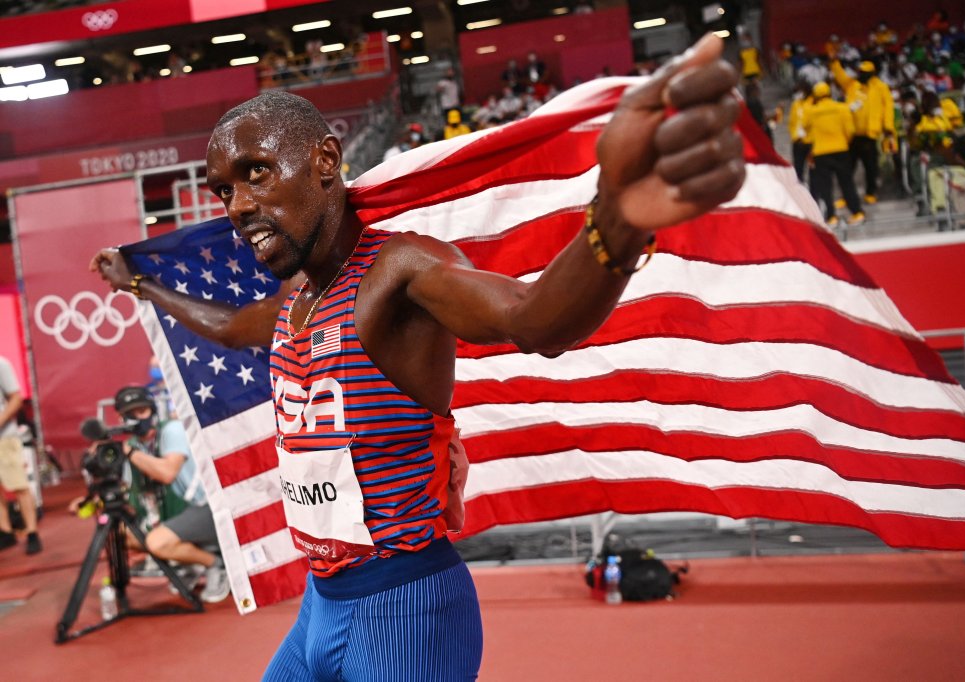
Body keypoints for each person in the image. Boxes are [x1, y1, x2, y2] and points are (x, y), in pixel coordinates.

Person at [91, 34, 745, 679]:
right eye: (222, 190)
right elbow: (232, 327)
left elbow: (535, 320)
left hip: (408, 610)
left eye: (255, 173)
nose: (237, 207)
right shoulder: (293, 299)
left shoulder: (398, 273)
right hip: (321, 605)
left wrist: (618, 220)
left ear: (325, 161)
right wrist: (140, 285)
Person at [108, 385, 230, 603]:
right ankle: (190, 563)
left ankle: (215, 565)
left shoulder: (171, 430)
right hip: (183, 508)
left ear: (153, 410)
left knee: (157, 542)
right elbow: (129, 490)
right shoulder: (135, 444)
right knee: (120, 533)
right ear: (121, 418)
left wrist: (128, 452)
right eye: (130, 414)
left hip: (210, 505)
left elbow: (167, 473)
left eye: (142, 411)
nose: (138, 418)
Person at [830, 60, 895, 204]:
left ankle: (870, 193)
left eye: (864, 73)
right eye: (860, 72)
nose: (861, 75)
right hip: (852, 134)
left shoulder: (881, 87)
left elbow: (888, 107)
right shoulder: (853, 85)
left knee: (870, 167)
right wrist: (835, 63)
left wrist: (888, 126)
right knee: (847, 167)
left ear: (871, 74)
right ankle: (846, 196)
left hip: (870, 134)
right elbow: (841, 77)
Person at [806, 81, 865, 227]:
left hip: (821, 152)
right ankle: (857, 212)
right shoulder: (842, 108)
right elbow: (850, 131)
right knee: (847, 183)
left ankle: (831, 217)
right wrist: (843, 141)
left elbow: (807, 133)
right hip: (840, 149)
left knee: (825, 186)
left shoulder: (811, 112)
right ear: (829, 94)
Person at [0, 355, 40, 555]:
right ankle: (5, 532)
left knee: (19, 485)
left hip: (4, 437)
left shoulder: (1, 364)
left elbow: (16, 398)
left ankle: (32, 532)